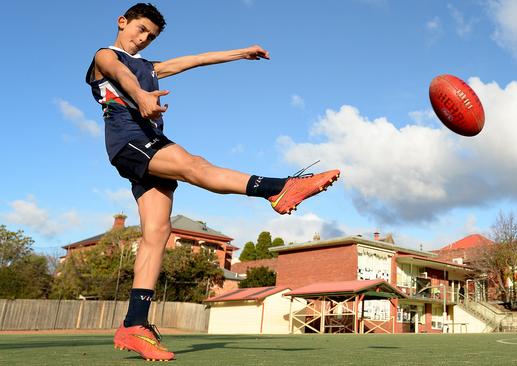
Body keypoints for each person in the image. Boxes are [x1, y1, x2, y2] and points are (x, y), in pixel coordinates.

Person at [86, 3, 339, 361]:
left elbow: (197, 59)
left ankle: (134, 325)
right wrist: (141, 96)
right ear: (122, 21)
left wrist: (241, 52)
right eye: (139, 29)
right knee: (194, 165)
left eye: (150, 36)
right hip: (130, 141)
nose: (142, 39)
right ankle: (278, 187)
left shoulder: (152, 67)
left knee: (156, 235)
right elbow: (119, 74)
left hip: (147, 146)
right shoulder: (105, 55)